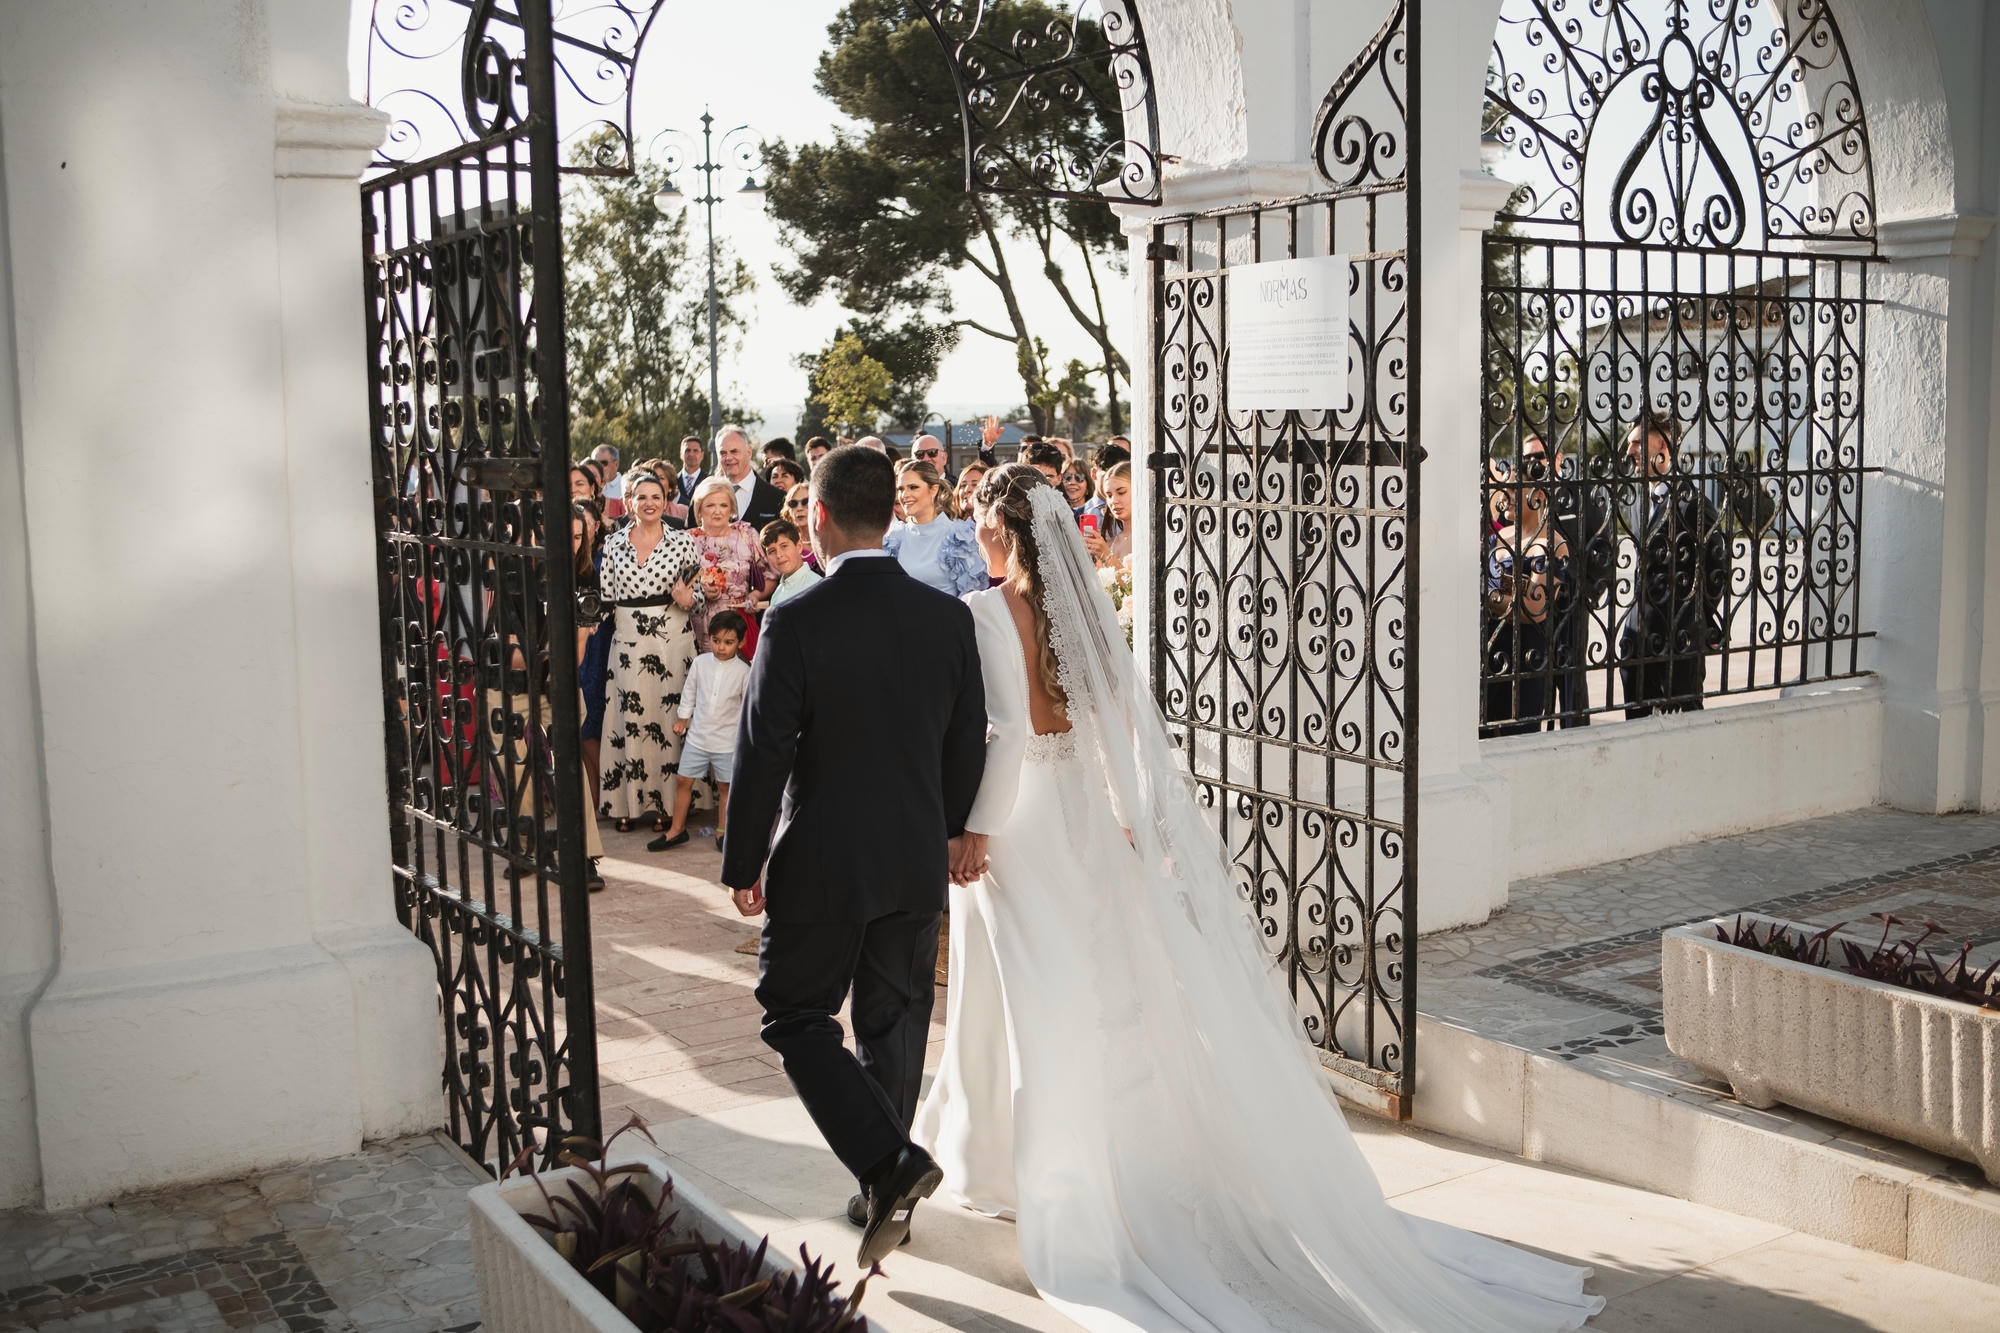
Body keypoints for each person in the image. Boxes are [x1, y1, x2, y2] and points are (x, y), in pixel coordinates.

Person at [909, 464, 1605, 1330]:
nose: (975, 533)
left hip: (1018, 823)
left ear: (1000, 530)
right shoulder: (1083, 608)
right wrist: (1127, 819)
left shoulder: (984, 612)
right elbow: (1116, 728)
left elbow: (1007, 733)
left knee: (1021, 994)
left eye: (981, 520)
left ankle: (1018, 1169)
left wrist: (975, 826)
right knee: (1092, 994)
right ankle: (1029, 1154)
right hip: (1082, 816)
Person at [721, 444, 988, 1266]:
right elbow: (965, 738)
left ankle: (888, 1160)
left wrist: (743, 860)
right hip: (914, 851)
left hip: (825, 857)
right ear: (890, 511)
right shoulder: (948, 617)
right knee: (892, 1020)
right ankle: (884, 1180)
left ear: (818, 516)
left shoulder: (796, 619)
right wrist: (953, 828)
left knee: (793, 1011)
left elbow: (764, 750)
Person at [597, 474, 702, 832]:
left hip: (672, 642)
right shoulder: (613, 544)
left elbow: (698, 598)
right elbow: (606, 598)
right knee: (628, 719)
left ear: (665, 500)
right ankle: (626, 804)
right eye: (641, 497)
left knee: (669, 719)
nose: (649, 503)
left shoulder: (683, 540)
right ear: (629, 502)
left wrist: (688, 599)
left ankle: (669, 806)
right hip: (628, 642)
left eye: (655, 496)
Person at [1618, 413, 1729, 718]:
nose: (1630, 451)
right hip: (1637, 640)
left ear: (1664, 447)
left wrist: (1695, 622)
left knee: (1684, 728)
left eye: (1637, 443)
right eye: (1630, 444)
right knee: (1636, 726)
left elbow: (1717, 570)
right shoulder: (1639, 500)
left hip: (1678, 643)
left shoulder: (1692, 503)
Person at [1481, 451, 1572, 736]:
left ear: (1539, 494)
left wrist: (1486, 598)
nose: (1504, 495)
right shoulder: (1498, 538)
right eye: (1504, 488)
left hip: (1525, 661)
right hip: (1487, 655)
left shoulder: (1552, 544)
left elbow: (1533, 609)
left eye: (1512, 489)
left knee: (1515, 739)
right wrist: (1504, 600)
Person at [650, 609, 752, 853]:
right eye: (716, 641)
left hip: (727, 741)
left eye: (728, 642)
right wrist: (682, 719)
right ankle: (676, 830)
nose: (721, 647)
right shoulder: (700, 663)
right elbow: (690, 692)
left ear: (741, 642)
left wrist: (746, 738)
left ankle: (722, 832)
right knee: (683, 780)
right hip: (698, 737)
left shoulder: (744, 672)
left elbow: (747, 707)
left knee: (725, 787)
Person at [687, 475, 773, 656]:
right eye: (710, 505)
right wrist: (701, 592)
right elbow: (676, 584)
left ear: (732, 509)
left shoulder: (747, 534)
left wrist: (756, 595)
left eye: (723, 505)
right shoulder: (686, 540)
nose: (717, 511)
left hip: (739, 624)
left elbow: (770, 574)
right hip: (697, 627)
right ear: (699, 509)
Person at [885, 460, 987, 598]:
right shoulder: (894, 538)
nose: (904, 495)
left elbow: (971, 596)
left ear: (933, 490)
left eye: (913, 487)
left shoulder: (959, 537)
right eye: (901, 489)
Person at [716, 424, 788, 530]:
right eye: (723, 453)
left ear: (749, 452)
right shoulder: (706, 497)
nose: (729, 457)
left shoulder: (778, 498)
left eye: (734, 451)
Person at [1080, 460, 1132, 568]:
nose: (1114, 501)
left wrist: (1108, 557)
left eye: (1121, 492)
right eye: (1109, 495)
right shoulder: (1110, 543)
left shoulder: (1149, 537)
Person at [760, 518, 820, 608]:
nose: (779, 555)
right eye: (772, 551)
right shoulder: (777, 593)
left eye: (784, 546)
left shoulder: (816, 587)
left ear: (799, 546)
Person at [592, 444, 624, 520]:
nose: (599, 467)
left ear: (616, 464)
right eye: (595, 463)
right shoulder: (589, 485)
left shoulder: (625, 486)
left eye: (603, 463)